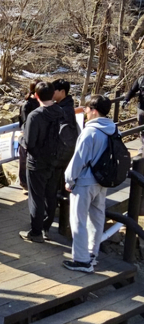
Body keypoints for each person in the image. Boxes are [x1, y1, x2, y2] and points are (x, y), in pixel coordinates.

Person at [63, 96, 116, 273]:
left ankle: (81, 260)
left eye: (86, 109)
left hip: (85, 181)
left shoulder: (90, 132)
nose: (85, 112)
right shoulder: (113, 129)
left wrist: (69, 179)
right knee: (97, 218)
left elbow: (79, 159)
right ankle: (92, 254)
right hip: (103, 181)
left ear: (93, 110)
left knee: (78, 220)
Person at [19, 82, 64, 243]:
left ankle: (36, 232)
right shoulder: (60, 112)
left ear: (36, 96)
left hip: (37, 162)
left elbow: (29, 142)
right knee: (50, 195)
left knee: (36, 196)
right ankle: (46, 228)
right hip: (55, 160)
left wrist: (22, 139)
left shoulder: (35, 116)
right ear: (53, 95)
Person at [18, 79, 42, 191]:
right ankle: (24, 184)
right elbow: (24, 123)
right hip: (27, 137)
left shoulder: (41, 102)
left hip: (39, 137)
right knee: (24, 162)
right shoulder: (26, 105)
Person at [122, 75, 144, 154]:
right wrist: (126, 100)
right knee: (141, 128)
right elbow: (132, 91)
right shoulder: (141, 79)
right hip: (142, 108)